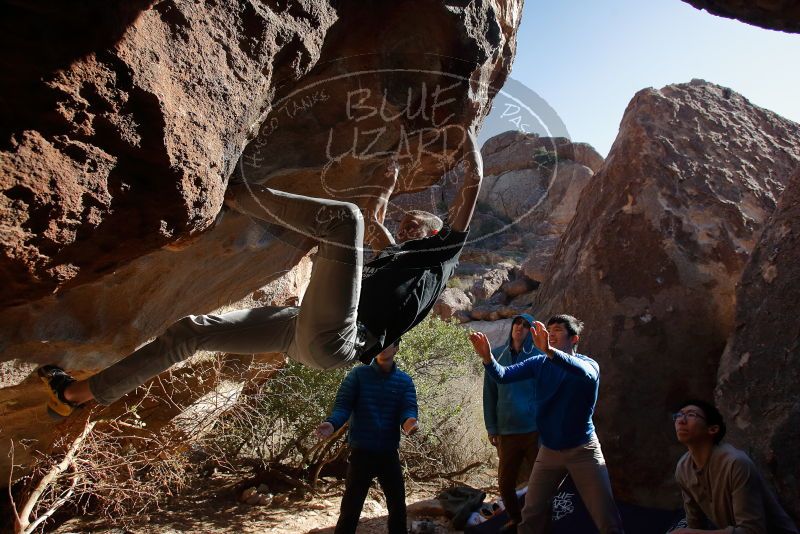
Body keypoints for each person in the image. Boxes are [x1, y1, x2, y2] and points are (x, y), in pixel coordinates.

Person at [39, 129, 482, 418]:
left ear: (436, 233)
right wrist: (388, 182)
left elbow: (472, 184)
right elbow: (379, 216)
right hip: (306, 332)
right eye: (403, 227)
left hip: (342, 338)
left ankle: (230, 191)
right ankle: (76, 396)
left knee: (344, 221)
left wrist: (467, 142)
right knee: (193, 331)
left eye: (413, 227)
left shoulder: (442, 256)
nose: (403, 230)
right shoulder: (399, 257)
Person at [470, 315, 624, 534]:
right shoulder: (538, 363)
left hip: (583, 449)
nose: (551, 333)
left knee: (606, 517)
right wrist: (487, 358)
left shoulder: (589, 364)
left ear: (574, 339)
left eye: (558, 330)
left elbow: (585, 374)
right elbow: (503, 376)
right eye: (548, 329)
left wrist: (550, 351)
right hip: (549, 451)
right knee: (531, 515)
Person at [316, 339, 417, 534]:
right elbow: (343, 406)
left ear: (396, 347)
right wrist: (332, 424)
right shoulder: (358, 375)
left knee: (398, 506)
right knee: (351, 508)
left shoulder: (404, 381)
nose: (380, 346)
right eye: (378, 342)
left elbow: (408, 408)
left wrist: (410, 423)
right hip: (361, 452)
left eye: (387, 343)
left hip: (389, 453)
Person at [669, 399, 798, 534]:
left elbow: (752, 530)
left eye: (691, 415)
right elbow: (695, 524)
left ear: (712, 429)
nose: (680, 420)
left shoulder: (735, 463)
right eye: (678, 416)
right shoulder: (683, 468)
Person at [482, 313, 541, 531]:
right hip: (506, 430)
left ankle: (538, 520)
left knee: (540, 481)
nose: (520, 327)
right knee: (505, 482)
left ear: (531, 330)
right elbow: (489, 396)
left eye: (526, 325)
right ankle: (516, 519)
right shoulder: (496, 355)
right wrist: (491, 427)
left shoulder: (537, 356)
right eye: (517, 323)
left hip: (534, 430)